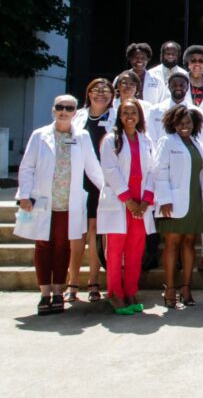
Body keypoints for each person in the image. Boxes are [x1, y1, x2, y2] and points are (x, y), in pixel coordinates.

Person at [15, 95, 105, 316]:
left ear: (76, 112)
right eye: (60, 107)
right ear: (53, 110)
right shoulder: (40, 136)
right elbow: (27, 167)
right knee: (43, 247)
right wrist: (24, 194)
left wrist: (109, 192)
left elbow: (93, 168)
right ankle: (44, 293)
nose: (64, 111)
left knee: (63, 247)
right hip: (43, 200)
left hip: (69, 202)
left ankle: (58, 291)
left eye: (69, 108)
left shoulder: (82, 137)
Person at [97, 98, 155, 314]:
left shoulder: (146, 140)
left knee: (135, 250)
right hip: (120, 200)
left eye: (134, 113)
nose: (130, 117)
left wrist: (146, 200)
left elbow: (152, 170)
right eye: (125, 113)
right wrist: (129, 200)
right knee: (115, 250)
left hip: (141, 203)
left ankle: (131, 290)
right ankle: (115, 293)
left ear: (140, 116)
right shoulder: (111, 140)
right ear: (119, 116)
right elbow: (110, 171)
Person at [154, 105, 203, 309]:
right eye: (180, 123)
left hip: (195, 201)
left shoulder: (198, 144)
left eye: (188, 122)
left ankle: (186, 288)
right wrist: (164, 198)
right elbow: (160, 170)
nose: (184, 126)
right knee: (172, 243)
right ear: (172, 124)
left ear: (194, 123)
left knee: (189, 243)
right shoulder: (167, 141)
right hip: (172, 202)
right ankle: (170, 288)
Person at [67, 78, 114, 303]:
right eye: (96, 90)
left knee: (96, 229)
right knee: (77, 232)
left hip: (102, 179)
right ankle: (72, 282)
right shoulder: (77, 116)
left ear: (112, 95)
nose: (100, 94)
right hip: (78, 179)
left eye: (106, 90)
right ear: (88, 93)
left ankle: (93, 281)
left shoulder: (116, 117)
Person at [146, 71, 193, 143]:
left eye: (182, 85)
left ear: (187, 88)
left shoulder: (195, 111)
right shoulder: (155, 111)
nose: (178, 88)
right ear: (169, 87)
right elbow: (150, 137)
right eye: (174, 85)